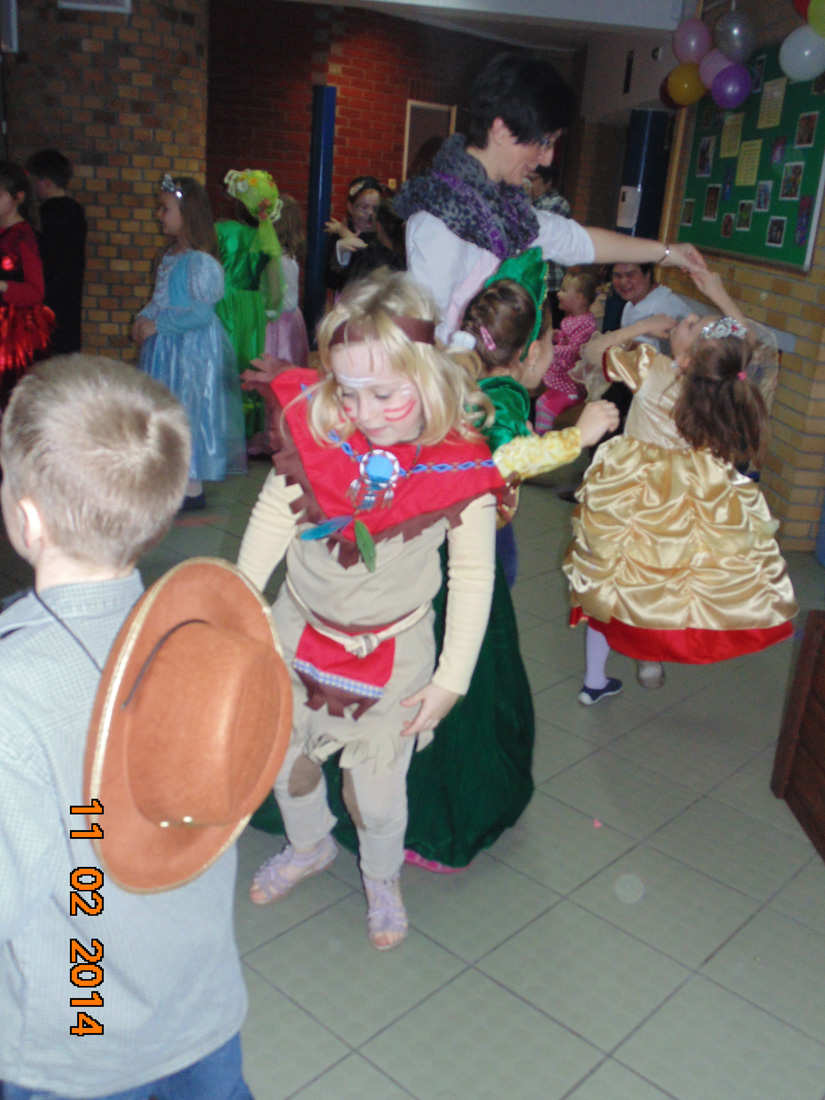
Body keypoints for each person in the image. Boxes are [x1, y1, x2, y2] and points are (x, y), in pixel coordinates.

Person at [0, 356, 256, 1099]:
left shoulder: (13, 692)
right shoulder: (204, 634)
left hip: (81, 1044)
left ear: (28, 519)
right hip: (201, 1008)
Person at [237, 269, 504, 949]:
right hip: (296, 630)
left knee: (376, 795)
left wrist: (451, 679)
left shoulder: (459, 467)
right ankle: (309, 845)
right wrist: (238, 596)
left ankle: (381, 877)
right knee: (283, 760)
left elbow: (473, 576)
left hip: (393, 655)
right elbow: (274, 514)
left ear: (428, 377)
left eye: (385, 393)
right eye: (348, 391)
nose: (364, 411)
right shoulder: (320, 428)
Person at [564, 268, 798, 704]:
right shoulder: (723, 388)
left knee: (611, 582)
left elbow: (592, 350)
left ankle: (595, 680)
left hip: (635, 495)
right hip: (692, 500)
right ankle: (650, 661)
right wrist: (719, 293)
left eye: (691, 324)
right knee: (667, 581)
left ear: (688, 358)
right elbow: (749, 345)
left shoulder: (650, 367)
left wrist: (637, 328)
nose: (684, 319)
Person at [394, 51, 705, 344]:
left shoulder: (503, 211)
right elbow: (419, 339)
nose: (547, 158)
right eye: (543, 142)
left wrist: (667, 252)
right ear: (501, 129)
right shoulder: (443, 219)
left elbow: (576, 241)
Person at [133, 173, 244, 511]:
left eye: (164, 209)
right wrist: (143, 318)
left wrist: (158, 326)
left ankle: (191, 487)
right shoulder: (170, 257)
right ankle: (172, 480)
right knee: (166, 411)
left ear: (187, 214)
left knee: (189, 410)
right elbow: (160, 300)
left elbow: (201, 314)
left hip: (191, 352)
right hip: (167, 349)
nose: (159, 215)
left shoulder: (199, 261)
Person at [216, 168, 283, 439]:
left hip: (225, 302)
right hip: (253, 306)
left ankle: (219, 427)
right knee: (246, 361)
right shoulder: (266, 239)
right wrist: (265, 312)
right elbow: (275, 289)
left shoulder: (222, 230)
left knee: (223, 360)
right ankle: (245, 431)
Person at [0, 161, 53, 409]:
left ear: (18, 198)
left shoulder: (23, 236)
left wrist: (3, 287)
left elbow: (36, 292)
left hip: (12, 332)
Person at [25, 149, 87, 354]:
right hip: (68, 300)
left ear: (45, 182)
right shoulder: (74, 211)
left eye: (34, 180)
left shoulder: (47, 215)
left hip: (48, 301)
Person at [534, 268, 599, 433]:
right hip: (565, 379)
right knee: (540, 403)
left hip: (574, 385)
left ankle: (544, 443)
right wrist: (557, 336)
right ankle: (540, 438)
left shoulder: (587, 324)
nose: (558, 294)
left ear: (579, 298)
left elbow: (575, 350)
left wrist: (550, 349)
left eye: (563, 290)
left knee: (546, 409)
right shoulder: (572, 319)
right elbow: (567, 339)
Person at [264, 194, 309, 368]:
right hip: (289, 317)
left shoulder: (278, 259)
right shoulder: (288, 257)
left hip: (279, 321)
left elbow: (276, 295)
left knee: (279, 360)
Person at [526, 161, 571, 327]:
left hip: (550, 282)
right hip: (532, 280)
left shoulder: (557, 203)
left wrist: (525, 202)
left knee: (547, 328)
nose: (529, 184)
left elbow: (536, 233)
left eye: (533, 179)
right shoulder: (530, 203)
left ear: (548, 181)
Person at [325, 174, 383, 292]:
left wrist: (346, 233)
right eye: (363, 207)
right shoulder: (338, 238)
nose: (370, 213)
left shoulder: (383, 238)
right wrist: (340, 251)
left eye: (375, 208)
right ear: (350, 207)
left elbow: (373, 260)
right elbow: (331, 280)